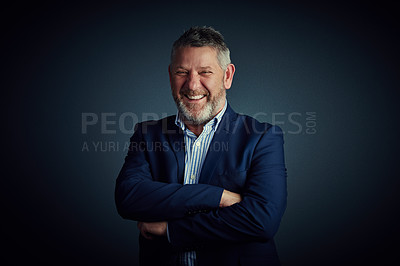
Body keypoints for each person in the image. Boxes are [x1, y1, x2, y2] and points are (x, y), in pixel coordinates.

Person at [115, 26, 287, 266]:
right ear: (170, 75)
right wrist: (218, 197)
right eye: (182, 72)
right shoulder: (147, 134)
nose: (192, 85)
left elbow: (261, 221)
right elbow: (128, 197)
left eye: (205, 72)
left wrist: (169, 230)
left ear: (227, 76)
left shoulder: (262, 137)